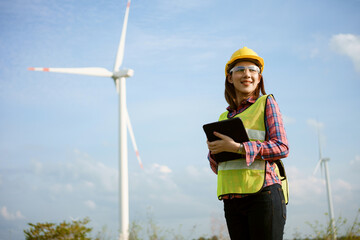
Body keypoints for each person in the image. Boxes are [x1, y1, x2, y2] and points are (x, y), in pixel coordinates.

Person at [206, 47, 289, 240]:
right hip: (232, 199)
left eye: (253, 70)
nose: (247, 74)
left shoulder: (266, 103)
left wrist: (238, 148)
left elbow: (282, 147)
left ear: (259, 78)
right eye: (240, 69)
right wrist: (214, 152)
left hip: (264, 194)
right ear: (230, 78)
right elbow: (218, 167)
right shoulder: (222, 117)